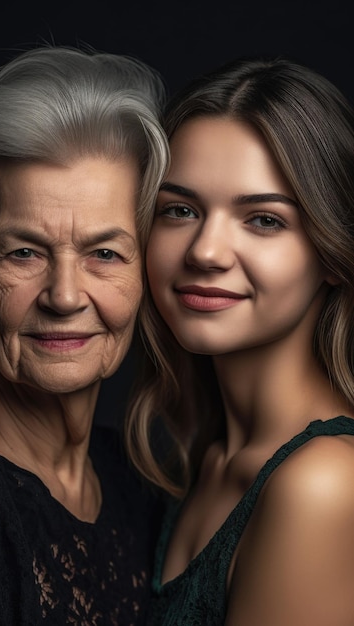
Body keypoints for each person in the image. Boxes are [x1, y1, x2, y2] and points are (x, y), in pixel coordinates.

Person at [0, 44, 169, 625]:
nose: (64, 296)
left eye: (105, 253)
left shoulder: (133, 481)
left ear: (148, 279)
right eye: (23, 251)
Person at [125, 56, 354, 625]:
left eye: (263, 220)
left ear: (330, 252)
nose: (205, 251)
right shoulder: (199, 457)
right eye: (179, 210)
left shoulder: (322, 483)